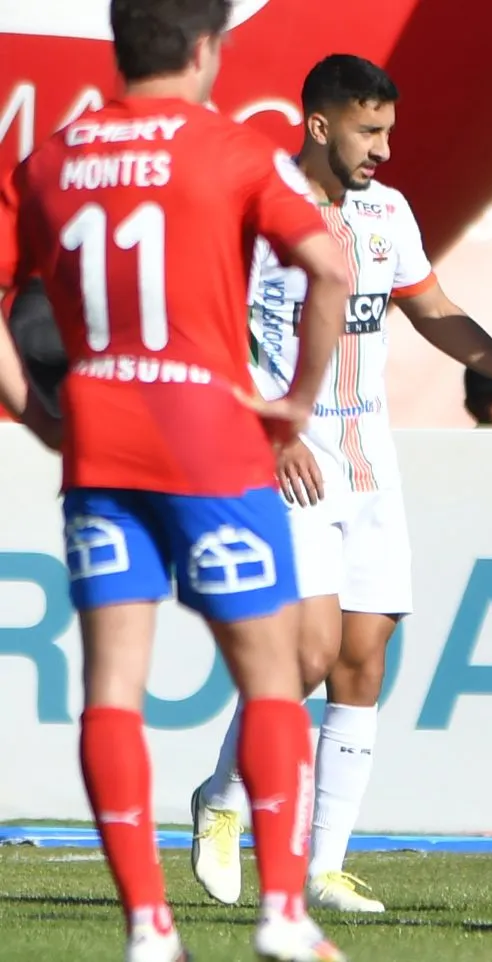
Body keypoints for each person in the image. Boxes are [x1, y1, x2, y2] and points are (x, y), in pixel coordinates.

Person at [188, 53, 492, 916]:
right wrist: (270, 428)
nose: (382, 148)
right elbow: (206, 332)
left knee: (362, 661)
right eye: (369, 131)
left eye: (389, 131)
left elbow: (437, 312)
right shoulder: (255, 206)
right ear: (318, 124)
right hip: (289, 456)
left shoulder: (388, 212)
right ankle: (222, 800)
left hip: (371, 460)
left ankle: (325, 865)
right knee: (302, 654)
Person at [0, 1, 352, 959]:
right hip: (211, 440)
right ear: (207, 48)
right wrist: (298, 402)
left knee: (113, 686)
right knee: (272, 676)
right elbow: (328, 270)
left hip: (102, 442)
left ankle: (149, 928)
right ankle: (283, 911)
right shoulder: (233, 149)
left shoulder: (49, 160)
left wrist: (33, 407)